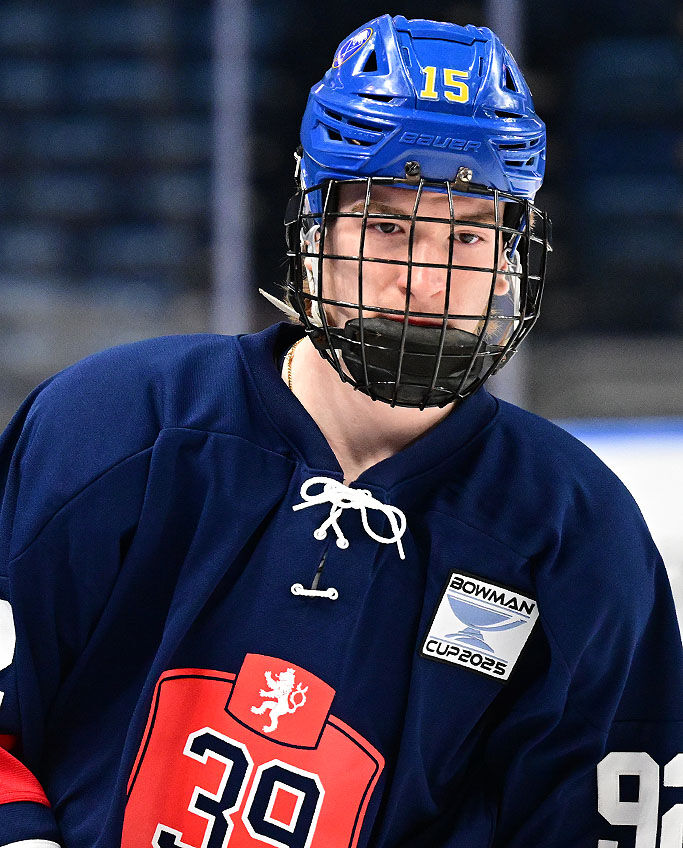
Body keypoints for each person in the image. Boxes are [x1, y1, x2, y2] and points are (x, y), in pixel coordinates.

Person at [0, 14, 680, 848]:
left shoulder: (574, 534)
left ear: (512, 260)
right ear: (314, 230)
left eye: (469, 234)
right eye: (388, 226)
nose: (425, 279)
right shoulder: (114, 426)